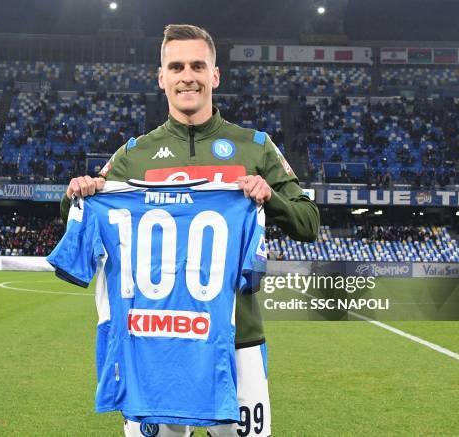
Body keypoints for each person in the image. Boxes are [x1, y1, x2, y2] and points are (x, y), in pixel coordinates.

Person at [61, 24, 319, 437]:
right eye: (176, 66)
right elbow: (78, 217)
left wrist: (270, 196)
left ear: (215, 75)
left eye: (198, 66)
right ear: (161, 77)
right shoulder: (134, 155)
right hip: (154, 342)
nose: (188, 76)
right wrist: (80, 192)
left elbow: (309, 223)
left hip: (237, 340)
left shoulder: (256, 146)